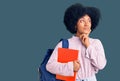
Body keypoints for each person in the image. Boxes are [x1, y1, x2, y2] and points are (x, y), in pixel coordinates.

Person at [46, 3, 107, 81]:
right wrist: (71, 66)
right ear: (75, 24)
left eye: (89, 20)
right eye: (82, 21)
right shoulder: (65, 44)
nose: (87, 24)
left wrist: (88, 45)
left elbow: (101, 65)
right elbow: (50, 66)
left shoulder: (96, 43)